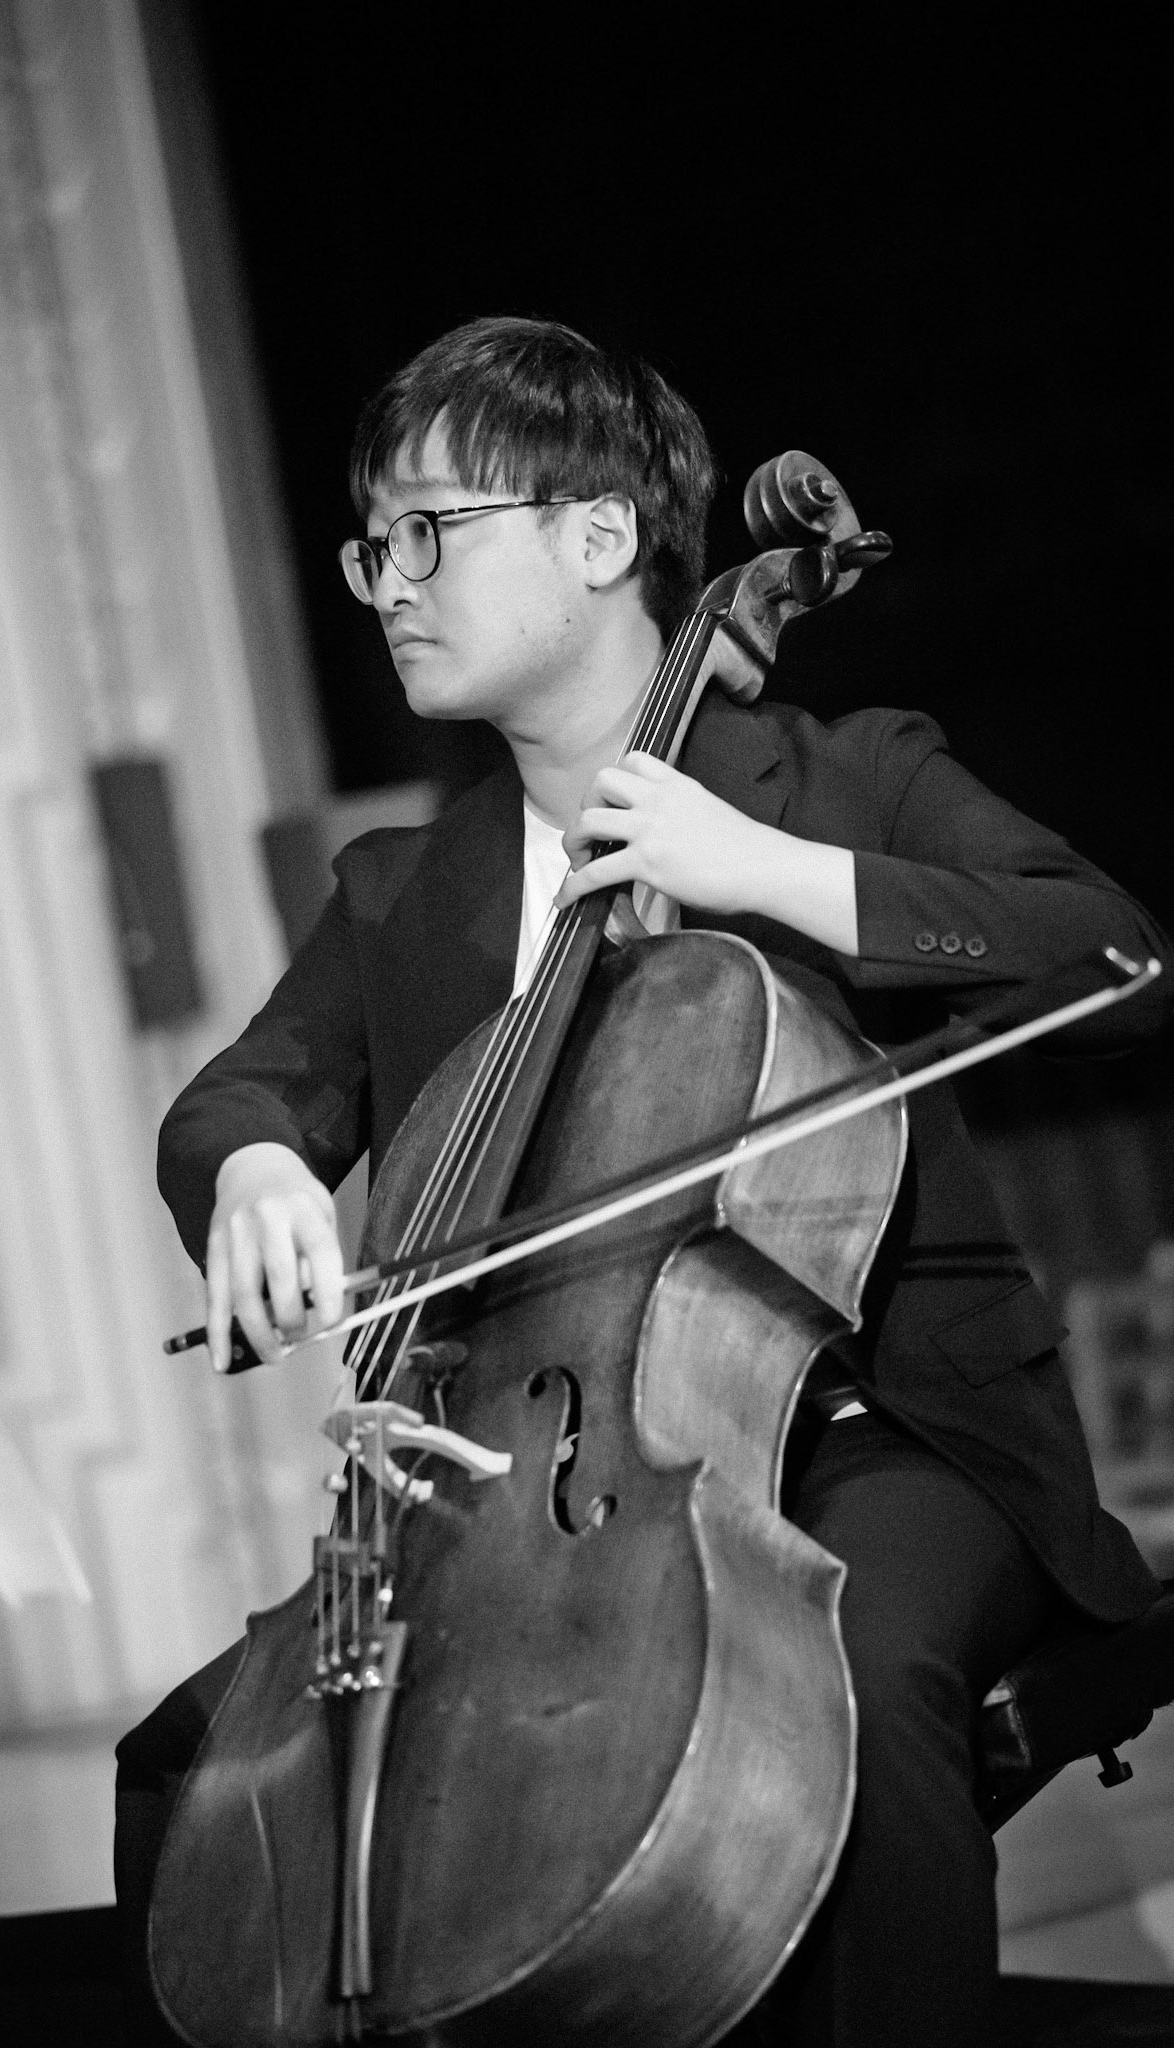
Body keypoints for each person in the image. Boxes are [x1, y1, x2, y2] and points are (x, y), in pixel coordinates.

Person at [118, 316, 1167, 2045]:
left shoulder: (845, 776)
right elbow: (243, 1095)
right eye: (370, 547)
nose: (386, 584)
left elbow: (1120, 958)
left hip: (889, 1434)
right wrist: (251, 1173)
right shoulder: (400, 889)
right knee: (192, 1768)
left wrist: (772, 871)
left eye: (427, 532)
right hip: (526, 1492)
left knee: (847, 1680)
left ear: (600, 536)